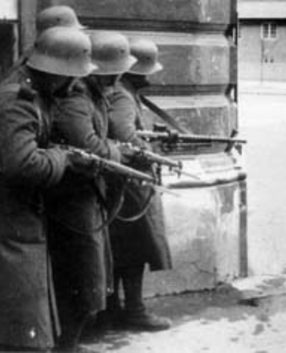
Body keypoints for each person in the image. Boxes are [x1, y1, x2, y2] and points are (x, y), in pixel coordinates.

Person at [0, 26, 97, 352]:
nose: (73, 85)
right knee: (17, 303)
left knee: (9, 304)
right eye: (71, 77)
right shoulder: (18, 103)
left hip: (2, 206)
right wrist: (62, 156)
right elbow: (22, 165)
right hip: (0, 211)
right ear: (56, 73)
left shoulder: (30, 93)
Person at [45, 30, 137, 351]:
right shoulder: (77, 97)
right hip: (72, 198)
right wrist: (117, 152)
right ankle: (66, 345)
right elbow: (86, 145)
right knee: (83, 277)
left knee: (90, 276)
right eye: (116, 69)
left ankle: (71, 341)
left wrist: (112, 149)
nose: (120, 75)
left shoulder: (94, 95)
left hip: (86, 194)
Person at [103, 38, 172, 332]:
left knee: (124, 248)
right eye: (145, 70)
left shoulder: (123, 91)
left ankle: (115, 309)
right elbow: (124, 135)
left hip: (123, 179)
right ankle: (134, 310)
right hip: (129, 181)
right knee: (136, 247)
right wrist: (149, 149)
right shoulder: (122, 95)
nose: (149, 76)